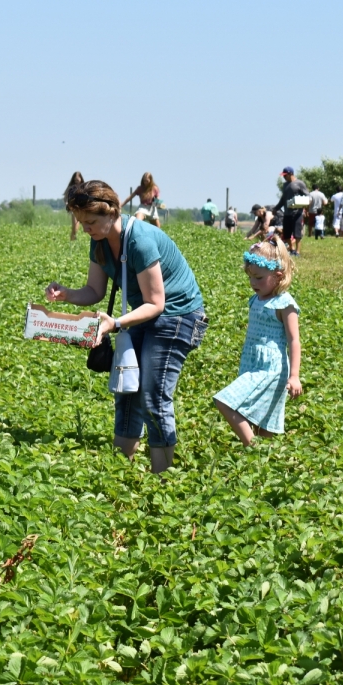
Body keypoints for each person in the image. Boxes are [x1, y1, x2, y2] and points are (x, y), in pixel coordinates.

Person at [45, 180, 207, 474]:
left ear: (112, 213)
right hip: (145, 313)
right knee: (127, 386)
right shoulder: (99, 241)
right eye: (82, 222)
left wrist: (116, 323)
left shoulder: (140, 240)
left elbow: (157, 304)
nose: (86, 229)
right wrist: (67, 293)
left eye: (91, 221)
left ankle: (162, 479)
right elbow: (94, 290)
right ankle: (121, 472)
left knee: (153, 394)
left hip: (179, 315)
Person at [213, 235, 302, 447]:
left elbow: (294, 340)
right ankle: (261, 464)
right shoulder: (256, 299)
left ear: (278, 276)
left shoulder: (284, 303)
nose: (253, 283)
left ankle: (253, 449)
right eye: (250, 277)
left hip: (271, 369)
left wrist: (295, 376)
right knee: (259, 421)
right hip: (252, 363)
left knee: (224, 401)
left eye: (259, 278)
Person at [272, 166, 309, 256]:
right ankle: (291, 249)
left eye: (285, 175)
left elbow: (308, 195)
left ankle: (297, 251)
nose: (284, 177)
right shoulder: (285, 185)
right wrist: (276, 208)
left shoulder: (299, 183)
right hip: (287, 213)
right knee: (287, 233)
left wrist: (307, 208)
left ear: (290, 174)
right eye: (283, 175)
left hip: (297, 212)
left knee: (297, 233)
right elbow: (283, 199)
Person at [65, 172, 84, 240]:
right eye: (75, 181)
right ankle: (73, 241)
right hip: (74, 209)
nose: (76, 182)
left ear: (81, 179)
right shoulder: (71, 188)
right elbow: (66, 197)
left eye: (78, 180)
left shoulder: (84, 187)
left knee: (83, 226)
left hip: (82, 209)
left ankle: (77, 240)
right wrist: (67, 204)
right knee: (75, 226)